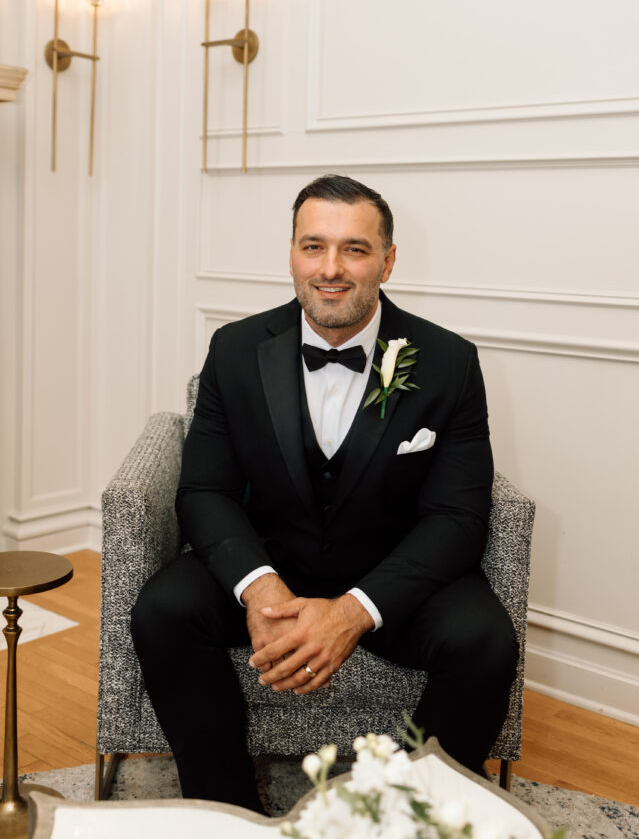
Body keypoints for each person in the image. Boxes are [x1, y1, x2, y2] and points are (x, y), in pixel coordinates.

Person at [131, 174, 518, 812]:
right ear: (291, 253)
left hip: (390, 576)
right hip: (270, 556)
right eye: (313, 246)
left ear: (388, 261)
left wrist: (353, 610)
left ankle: (399, 816)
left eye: (355, 250)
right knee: (163, 609)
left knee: (485, 640)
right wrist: (260, 586)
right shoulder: (234, 349)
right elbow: (205, 489)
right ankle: (227, 810)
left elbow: (456, 516)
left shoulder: (449, 361)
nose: (330, 269)